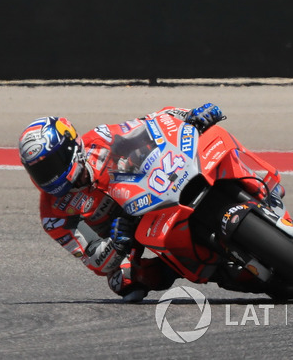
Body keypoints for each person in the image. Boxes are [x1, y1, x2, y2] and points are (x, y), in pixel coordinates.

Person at [18, 103, 232, 302]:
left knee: (209, 144)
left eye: (50, 165)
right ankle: (193, 267)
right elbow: (94, 260)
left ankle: (254, 190)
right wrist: (116, 245)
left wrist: (189, 115)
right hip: (128, 232)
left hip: (153, 188)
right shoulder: (52, 215)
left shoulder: (100, 139)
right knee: (123, 280)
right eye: (38, 171)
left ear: (69, 148)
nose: (48, 176)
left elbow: (153, 123)